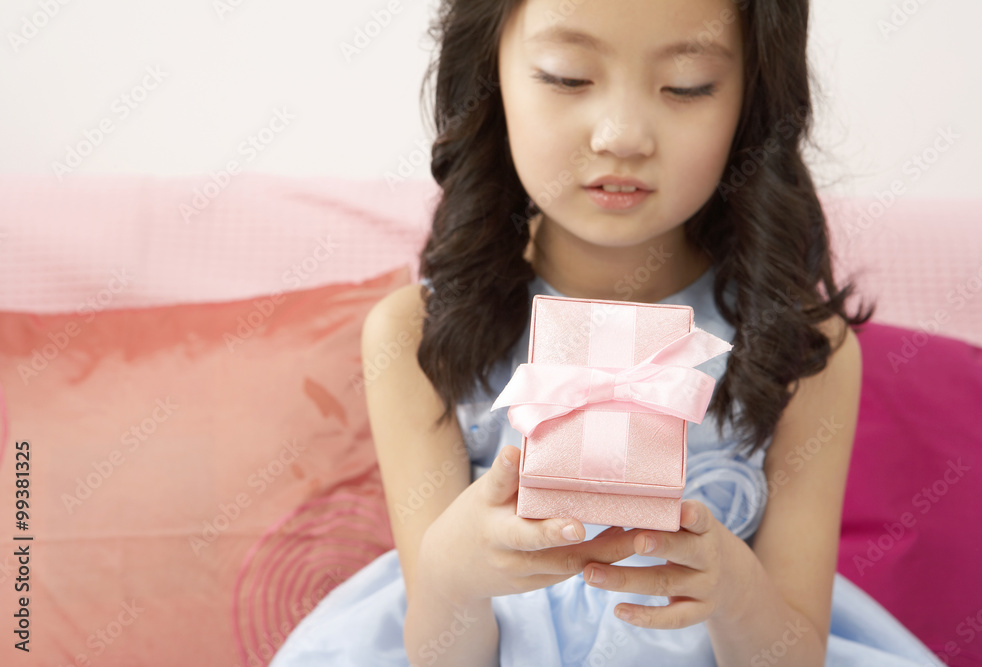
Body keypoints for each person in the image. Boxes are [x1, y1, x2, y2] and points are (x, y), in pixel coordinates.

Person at [271, 0, 946, 664]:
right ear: (489, 72)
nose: (622, 135)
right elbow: (443, 653)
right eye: (567, 76)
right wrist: (453, 573)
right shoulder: (414, 335)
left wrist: (733, 587)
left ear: (753, 100)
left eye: (687, 86)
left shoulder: (803, 350)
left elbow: (792, 655)